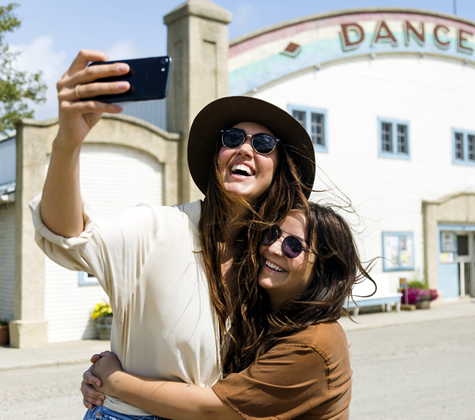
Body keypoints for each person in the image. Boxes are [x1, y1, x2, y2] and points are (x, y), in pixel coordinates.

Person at [31, 50, 315, 419]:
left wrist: (112, 377)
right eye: (232, 137)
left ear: (279, 168)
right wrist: (67, 142)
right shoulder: (157, 228)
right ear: (216, 155)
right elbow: (67, 235)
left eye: (263, 144)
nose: (245, 148)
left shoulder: (277, 254)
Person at [82, 201, 373, 419]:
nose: (274, 248)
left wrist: (114, 381)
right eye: (272, 234)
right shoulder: (267, 318)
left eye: (294, 246)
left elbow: (214, 409)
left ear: (325, 268)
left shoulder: (313, 344)